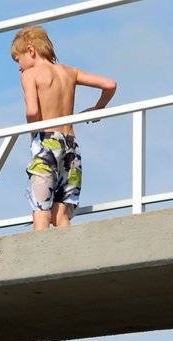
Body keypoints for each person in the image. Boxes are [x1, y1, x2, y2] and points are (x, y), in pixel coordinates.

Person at [11, 25, 116, 231]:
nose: (19, 67)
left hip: (47, 142)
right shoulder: (70, 72)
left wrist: (35, 133)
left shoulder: (30, 75)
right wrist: (98, 108)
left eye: (18, 60)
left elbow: (32, 112)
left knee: (41, 208)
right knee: (61, 213)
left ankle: (40, 255)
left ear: (30, 50)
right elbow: (110, 84)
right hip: (71, 146)